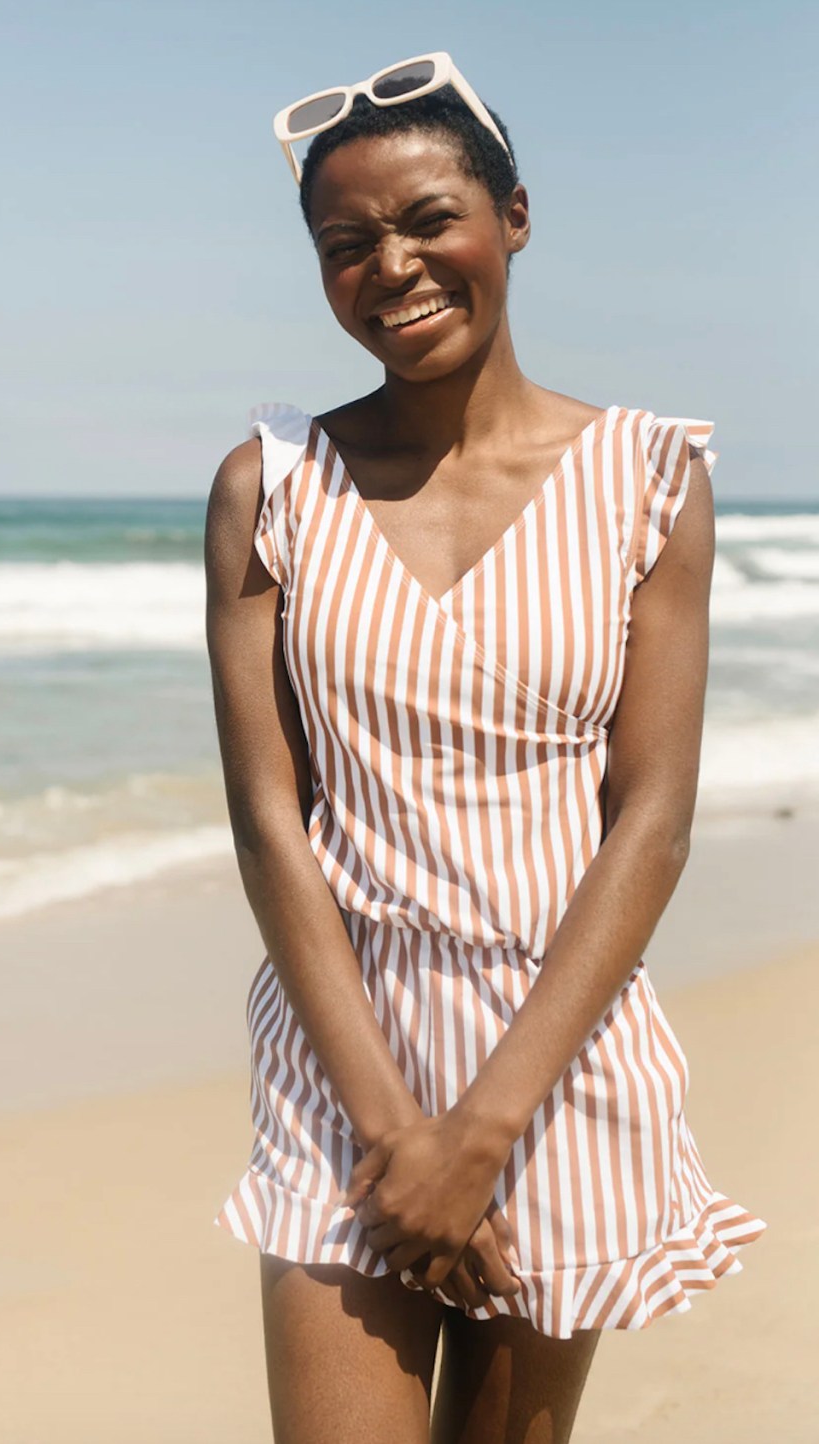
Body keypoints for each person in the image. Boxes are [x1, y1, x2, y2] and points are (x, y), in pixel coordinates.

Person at [204, 53, 767, 1444]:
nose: (391, 266)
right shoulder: (270, 486)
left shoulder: (648, 478)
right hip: (348, 1065)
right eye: (347, 246)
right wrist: (402, 1137)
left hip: (556, 1059)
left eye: (427, 219)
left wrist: (486, 1131)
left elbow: (652, 818)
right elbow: (272, 823)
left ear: (513, 214)